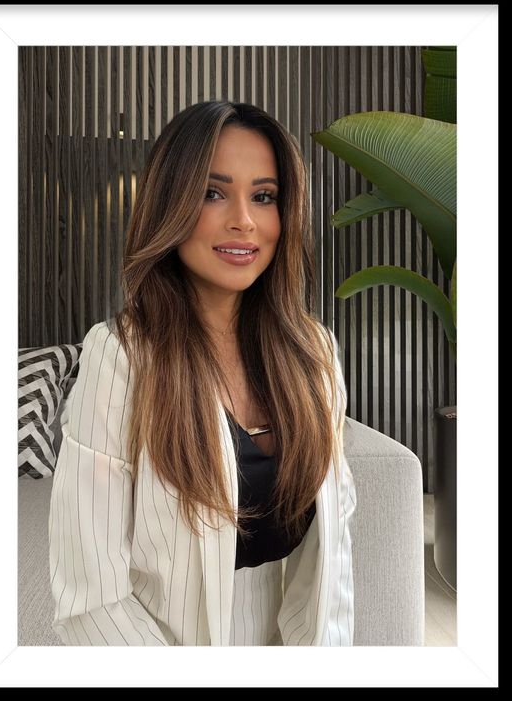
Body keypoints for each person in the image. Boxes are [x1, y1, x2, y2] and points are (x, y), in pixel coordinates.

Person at [48, 100, 357, 646]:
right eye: (213, 192)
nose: (244, 219)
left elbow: (333, 560)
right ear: (170, 204)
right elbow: (90, 594)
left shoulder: (315, 354)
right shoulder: (121, 358)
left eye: (264, 196)